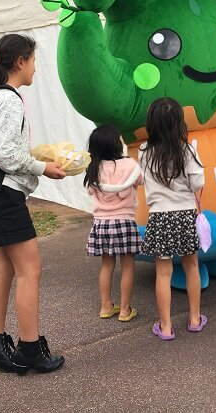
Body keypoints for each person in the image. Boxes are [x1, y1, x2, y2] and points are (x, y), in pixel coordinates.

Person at [0, 34, 67, 374]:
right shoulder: (9, 100)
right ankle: (29, 348)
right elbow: (2, 152)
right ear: (20, 61)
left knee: (3, 269)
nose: (36, 68)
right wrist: (43, 167)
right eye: (34, 60)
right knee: (31, 269)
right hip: (4, 195)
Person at [139, 97, 207, 340]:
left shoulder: (145, 151)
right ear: (179, 123)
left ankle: (166, 327)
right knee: (191, 267)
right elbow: (198, 183)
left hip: (159, 216)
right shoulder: (187, 150)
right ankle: (195, 319)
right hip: (185, 214)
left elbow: (144, 180)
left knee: (163, 274)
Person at [84, 123, 142, 322]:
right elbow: (140, 181)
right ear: (115, 144)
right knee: (127, 266)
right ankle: (125, 310)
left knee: (107, 265)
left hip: (102, 224)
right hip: (125, 221)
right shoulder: (130, 165)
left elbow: (90, 191)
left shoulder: (93, 169)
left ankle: (106, 306)